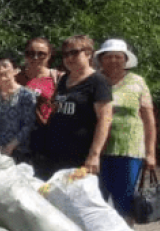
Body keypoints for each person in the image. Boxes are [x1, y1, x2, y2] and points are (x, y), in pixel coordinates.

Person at [33, 35, 112, 180]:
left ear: (88, 53)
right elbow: (56, 109)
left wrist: (94, 155)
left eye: (74, 52)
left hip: (79, 154)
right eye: (65, 54)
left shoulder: (98, 81)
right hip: (54, 152)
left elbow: (105, 120)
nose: (69, 57)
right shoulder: (64, 79)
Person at [95, 38, 157, 218]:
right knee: (95, 202)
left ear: (126, 59)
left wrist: (150, 153)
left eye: (118, 56)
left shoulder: (138, 82)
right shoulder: (94, 81)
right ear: (101, 59)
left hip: (129, 150)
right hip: (96, 151)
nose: (113, 60)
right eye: (108, 56)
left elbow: (149, 120)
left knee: (125, 203)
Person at [17, 37, 59, 173]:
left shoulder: (57, 78)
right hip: (20, 139)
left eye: (41, 54)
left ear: (49, 55)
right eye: (30, 53)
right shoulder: (17, 78)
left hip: (47, 137)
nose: (35, 58)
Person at [0, 51, 36, 164]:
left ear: (15, 70)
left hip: (19, 152)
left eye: (5, 66)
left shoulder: (27, 95)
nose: (1, 70)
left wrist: (10, 147)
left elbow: (28, 125)